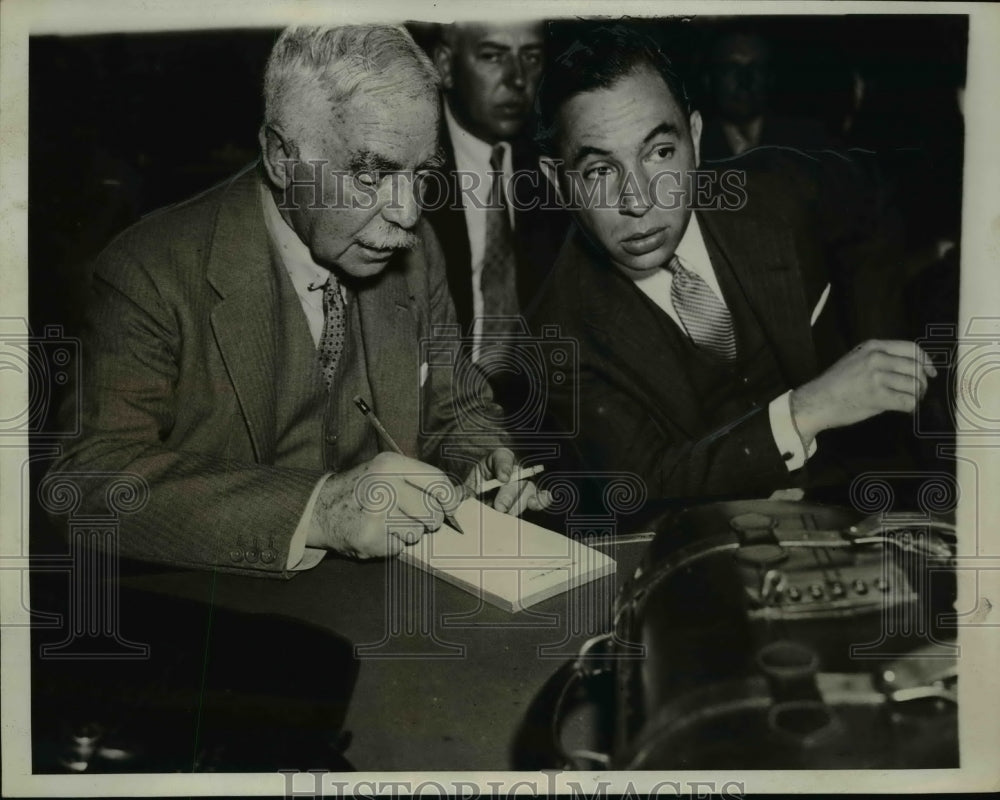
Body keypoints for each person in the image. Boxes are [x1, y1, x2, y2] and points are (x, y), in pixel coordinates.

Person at [47, 25, 548, 577]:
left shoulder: (418, 249)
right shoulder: (150, 268)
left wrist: (486, 461)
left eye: (420, 175)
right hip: (217, 618)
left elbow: (459, 408)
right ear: (282, 157)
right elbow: (84, 480)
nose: (407, 214)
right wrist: (321, 509)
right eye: (372, 175)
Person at [530, 25, 936, 508]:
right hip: (708, 538)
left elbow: (873, 201)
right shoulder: (556, 330)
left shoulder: (777, 191)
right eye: (600, 171)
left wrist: (878, 345)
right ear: (558, 182)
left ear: (696, 139)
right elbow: (644, 484)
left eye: (660, 153)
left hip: (861, 493)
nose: (637, 200)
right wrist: (811, 408)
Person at [424, 21, 567, 410]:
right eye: (492, 56)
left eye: (532, 57)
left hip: (536, 410)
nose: (518, 79)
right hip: (433, 407)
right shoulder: (408, 165)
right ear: (445, 65)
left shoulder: (558, 166)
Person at [699, 28, 836, 161]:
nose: (745, 80)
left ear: (770, 78)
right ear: (708, 80)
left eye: (756, 68)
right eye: (731, 69)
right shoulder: (693, 145)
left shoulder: (810, 141)